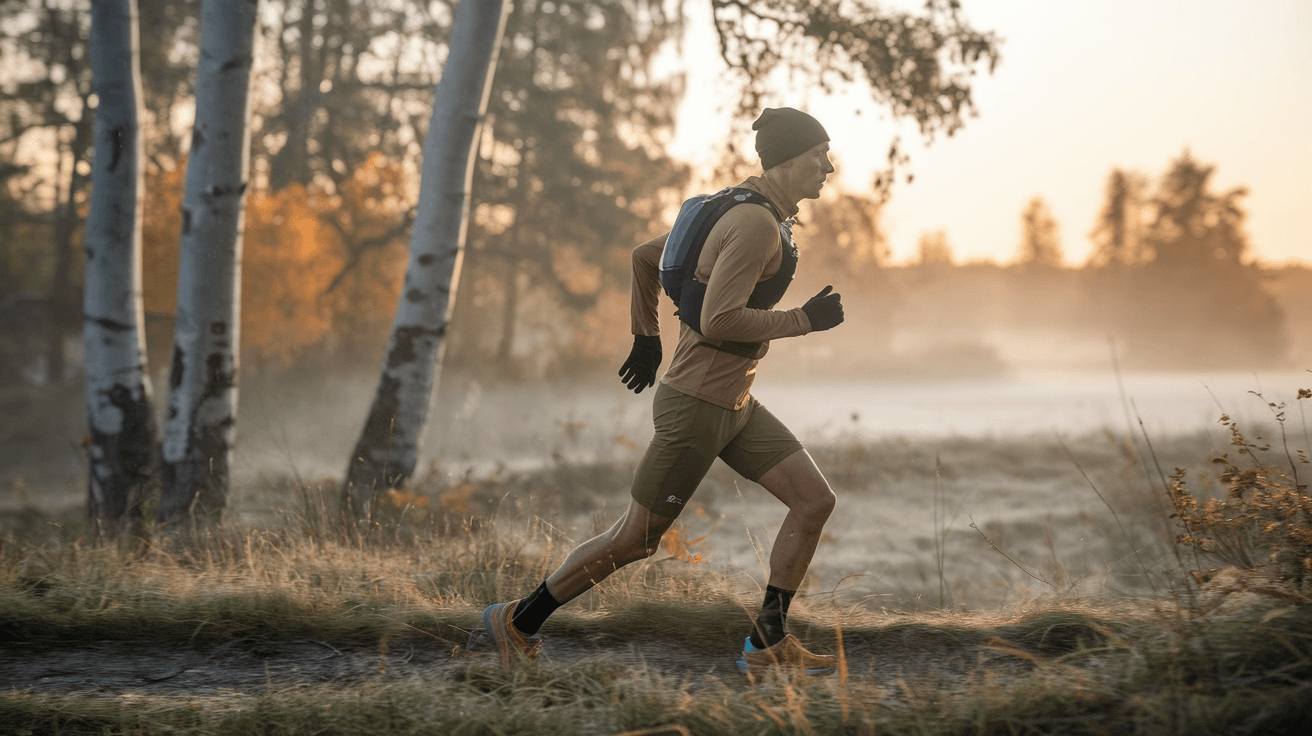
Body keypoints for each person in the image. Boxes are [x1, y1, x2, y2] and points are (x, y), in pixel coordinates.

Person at [481, 107, 845, 676]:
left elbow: (646, 258)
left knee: (814, 501)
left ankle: (769, 642)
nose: (829, 165)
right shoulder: (753, 224)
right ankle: (517, 621)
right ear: (789, 160)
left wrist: (645, 334)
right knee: (636, 539)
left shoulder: (731, 207)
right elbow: (720, 320)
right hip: (698, 406)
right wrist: (803, 320)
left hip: (734, 403)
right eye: (820, 155)